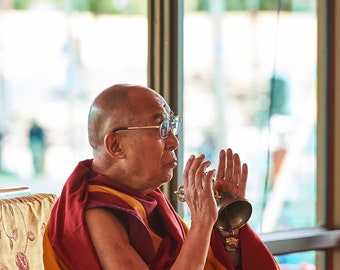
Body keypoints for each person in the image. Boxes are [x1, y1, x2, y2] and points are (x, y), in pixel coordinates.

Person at [43, 84, 279, 270]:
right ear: (115, 144)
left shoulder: (149, 200)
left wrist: (227, 225)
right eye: (161, 129)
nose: (174, 142)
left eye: (172, 127)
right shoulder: (98, 214)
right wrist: (202, 223)